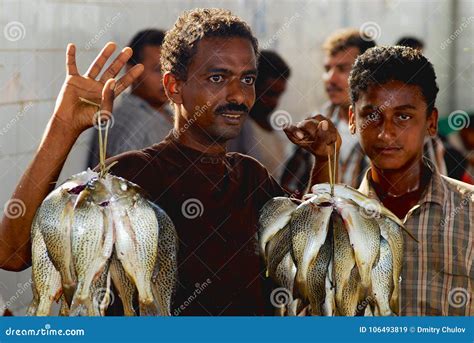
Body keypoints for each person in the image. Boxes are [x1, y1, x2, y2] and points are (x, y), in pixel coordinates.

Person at [0, 8, 339, 316]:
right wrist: (63, 127)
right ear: (174, 87)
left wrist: (324, 161)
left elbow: (308, 257)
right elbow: (12, 253)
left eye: (247, 79)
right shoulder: (128, 177)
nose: (238, 95)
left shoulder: (251, 176)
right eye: (218, 78)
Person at [345, 46, 473, 315]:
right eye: (372, 116)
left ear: (431, 122)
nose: (386, 133)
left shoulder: (469, 213)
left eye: (403, 116)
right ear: (352, 120)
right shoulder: (336, 221)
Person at [281, 29, 375, 196]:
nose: (330, 79)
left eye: (342, 69)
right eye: (327, 69)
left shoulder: (387, 129)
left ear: (369, 74)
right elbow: (289, 191)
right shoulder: (313, 126)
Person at [88, 29, 173, 167]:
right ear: (131, 70)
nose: (166, 79)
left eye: (171, 70)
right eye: (158, 70)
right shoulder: (128, 121)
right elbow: (115, 184)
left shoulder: (164, 112)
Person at [228, 50, 292, 180]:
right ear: (253, 87)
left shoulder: (275, 131)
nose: (274, 102)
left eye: (279, 95)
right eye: (270, 94)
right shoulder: (238, 128)